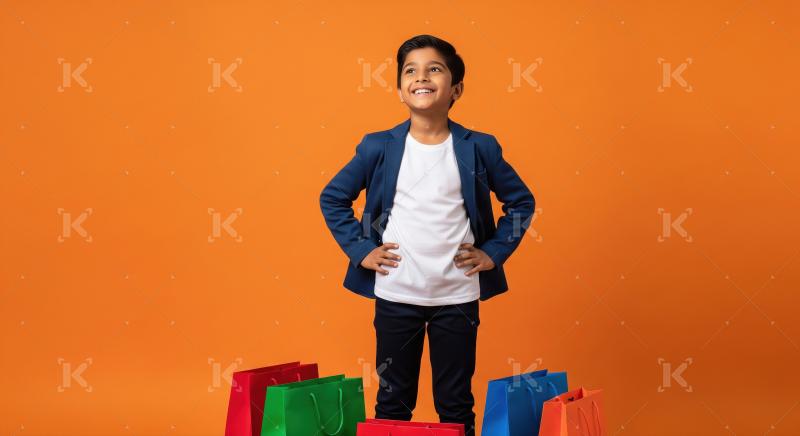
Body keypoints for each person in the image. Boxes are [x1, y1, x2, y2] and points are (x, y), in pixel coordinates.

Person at [319, 34, 536, 436]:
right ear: (400, 87)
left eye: (434, 68)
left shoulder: (480, 147)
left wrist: (493, 252)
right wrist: (362, 250)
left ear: (456, 89)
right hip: (396, 294)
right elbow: (333, 197)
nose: (422, 77)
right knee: (392, 401)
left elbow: (521, 204)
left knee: (455, 402)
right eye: (410, 70)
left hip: (456, 297)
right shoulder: (378, 146)